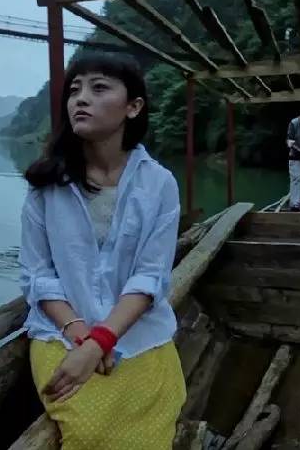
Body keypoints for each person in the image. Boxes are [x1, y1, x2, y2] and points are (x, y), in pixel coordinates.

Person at [20, 53, 185, 449]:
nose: (80, 98)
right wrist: (83, 337)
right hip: (61, 334)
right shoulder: (47, 184)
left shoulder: (159, 184)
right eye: (74, 90)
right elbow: (37, 275)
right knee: (90, 432)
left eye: (98, 88)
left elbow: (150, 276)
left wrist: (103, 340)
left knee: (152, 430)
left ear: (133, 107)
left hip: (139, 334)